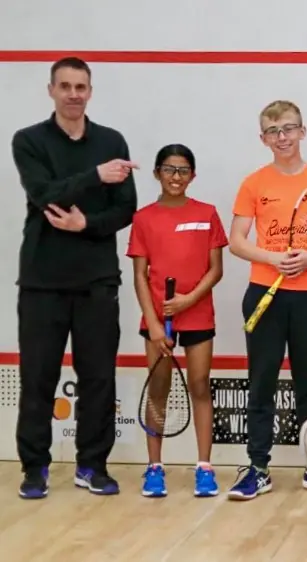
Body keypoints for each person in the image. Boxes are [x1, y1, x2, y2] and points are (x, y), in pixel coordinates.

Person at [13, 56, 138, 499]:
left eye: (80, 86)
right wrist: (96, 176)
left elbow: (125, 209)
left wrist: (86, 225)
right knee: (39, 377)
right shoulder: (27, 140)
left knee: (98, 376)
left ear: (89, 91)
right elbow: (43, 193)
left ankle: (92, 466)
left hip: (97, 280)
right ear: (51, 90)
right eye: (64, 86)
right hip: (42, 281)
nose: (72, 94)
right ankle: (34, 469)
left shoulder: (111, 140)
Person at [227, 100, 307, 500]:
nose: (282, 137)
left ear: (302, 131)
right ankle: (257, 467)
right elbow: (237, 242)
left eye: (289, 129)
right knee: (260, 382)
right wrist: (273, 257)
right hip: (264, 294)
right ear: (263, 138)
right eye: (274, 131)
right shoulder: (254, 184)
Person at [126, 144, 228, 498]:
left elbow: (216, 269)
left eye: (183, 170)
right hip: (157, 320)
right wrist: (154, 325)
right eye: (169, 169)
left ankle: (204, 467)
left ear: (193, 176)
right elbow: (139, 275)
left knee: (200, 386)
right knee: (158, 392)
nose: (176, 177)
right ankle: (154, 468)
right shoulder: (143, 218)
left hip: (198, 314)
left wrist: (187, 300)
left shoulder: (208, 213)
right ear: (157, 173)